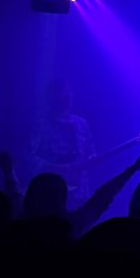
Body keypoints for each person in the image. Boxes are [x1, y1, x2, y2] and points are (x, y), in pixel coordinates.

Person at [31, 79, 96, 207]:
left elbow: (91, 153)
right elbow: (28, 156)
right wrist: (54, 167)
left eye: (69, 90)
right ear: (52, 96)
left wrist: (91, 161)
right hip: (51, 193)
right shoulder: (40, 124)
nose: (67, 95)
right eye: (62, 91)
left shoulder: (81, 124)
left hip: (80, 193)